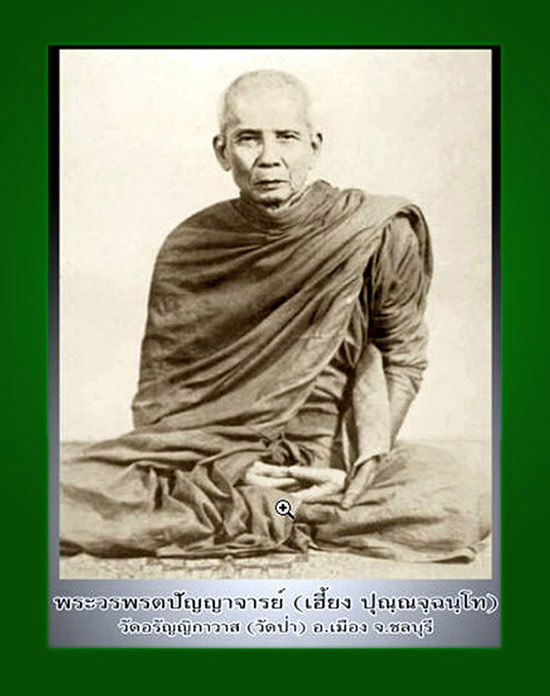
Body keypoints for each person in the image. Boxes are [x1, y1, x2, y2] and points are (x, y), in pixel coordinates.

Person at [60, 70, 490, 562]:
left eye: (286, 137)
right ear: (222, 151)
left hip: (327, 458)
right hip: (214, 460)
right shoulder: (191, 246)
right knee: (61, 491)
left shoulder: (376, 232)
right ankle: (285, 509)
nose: (269, 157)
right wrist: (231, 465)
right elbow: (162, 399)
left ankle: (279, 506)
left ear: (314, 145)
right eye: (248, 139)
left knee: (458, 498)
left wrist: (361, 464)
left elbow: (402, 358)